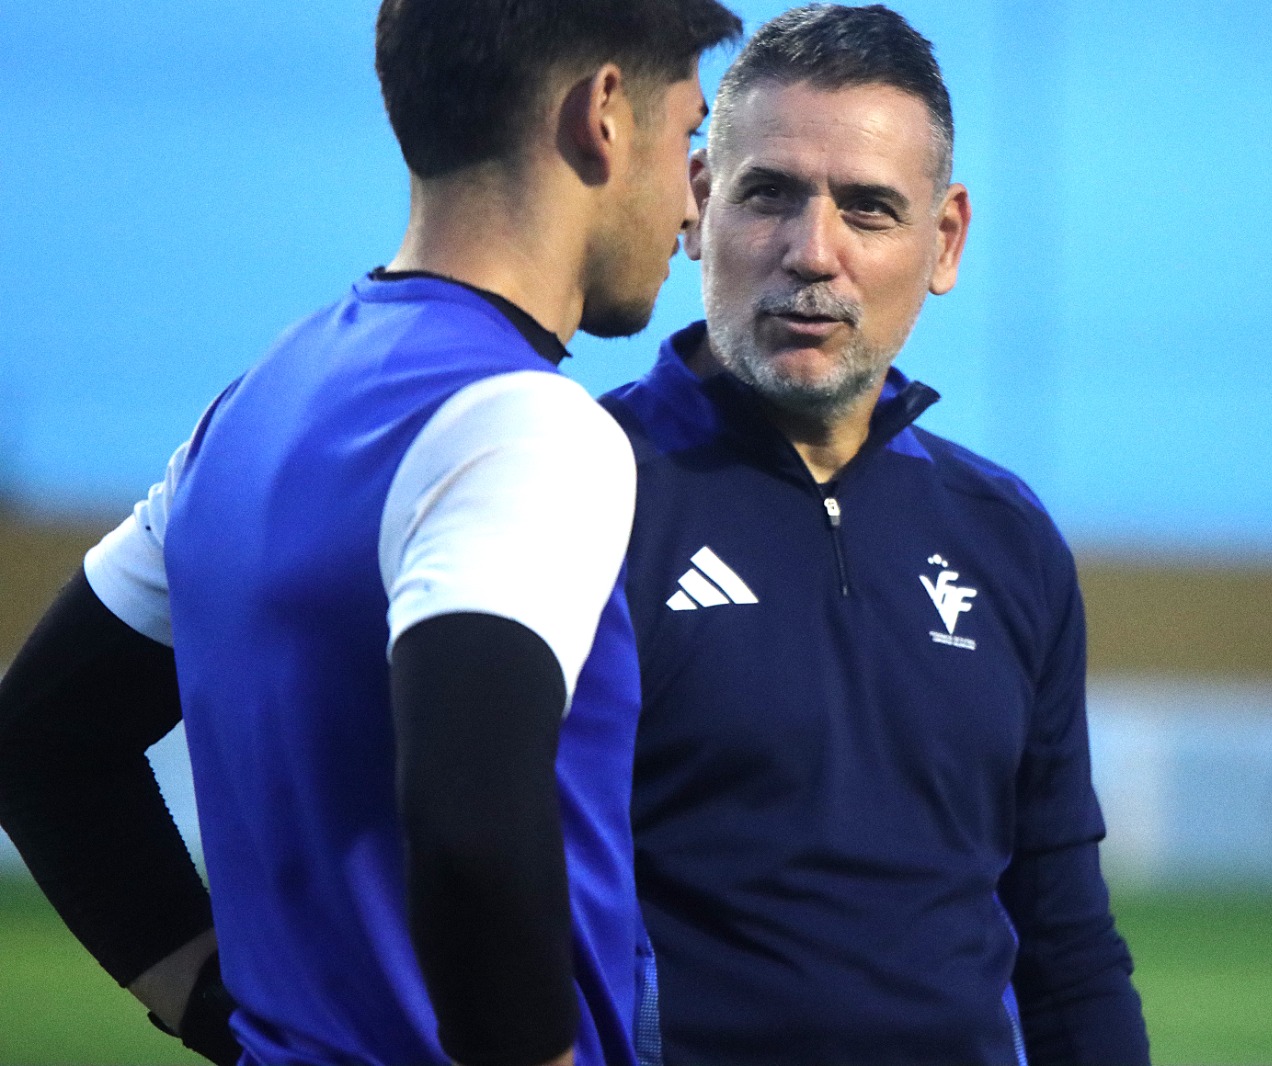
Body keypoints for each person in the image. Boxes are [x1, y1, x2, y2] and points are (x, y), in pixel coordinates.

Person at [0, 1, 739, 1064]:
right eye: (690, 134)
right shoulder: (526, 424)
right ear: (605, 114)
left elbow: (41, 742)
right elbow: (473, 825)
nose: (692, 201)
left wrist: (216, 1009)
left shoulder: (256, 404)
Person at [601, 6, 1150, 1065]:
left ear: (942, 240)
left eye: (867, 208)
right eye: (768, 195)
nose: (814, 254)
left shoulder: (1007, 537)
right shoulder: (578, 491)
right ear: (697, 202)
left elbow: (1067, 944)